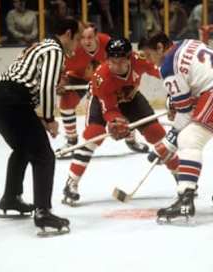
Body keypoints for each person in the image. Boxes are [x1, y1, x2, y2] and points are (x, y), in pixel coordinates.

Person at [139, 32, 213, 221]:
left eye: (149, 55)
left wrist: (167, 144)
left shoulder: (168, 66)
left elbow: (185, 114)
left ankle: (185, 199)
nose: (149, 61)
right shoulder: (188, 42)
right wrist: (180, 105)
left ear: (160, 48)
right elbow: (200, 82)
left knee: (188, 139)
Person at [0, 17, 82, 233]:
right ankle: (43, 212)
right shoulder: (55, 50)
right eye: (77, 38)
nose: (78, 44)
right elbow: (47, 86)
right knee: (44, 155)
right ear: (67, 34)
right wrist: (49, 119)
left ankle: (11, 198)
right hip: (12, 101)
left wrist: (40, 115)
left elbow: (32, 85)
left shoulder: (41, 46)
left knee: (23, 149)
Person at [62, 37, 179, 205]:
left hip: (131, 100)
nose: (116, 66)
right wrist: (116, 121)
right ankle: (71, 183)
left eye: (121, 61)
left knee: (156, 133)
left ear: (129, 57)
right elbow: (109, 109)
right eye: (112, 61)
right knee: (93, 135)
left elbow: (163, 72)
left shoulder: (140, 60)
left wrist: (175, 94)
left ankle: (180, 176)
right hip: (102, 101)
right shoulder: (101, 77)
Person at [57, 23, 148, 155]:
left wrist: (134, 85)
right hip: (79, 77)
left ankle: (131, 139)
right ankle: (71, 141)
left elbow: (130, 62)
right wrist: (60, 80)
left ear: (97, 37)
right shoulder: (73, 49)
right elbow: (60, 69)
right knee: (66, 102)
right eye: (83, 38)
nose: (86, 41)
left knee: (125, 101)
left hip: (106, 80)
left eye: (90, 37)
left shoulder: (108, 42)